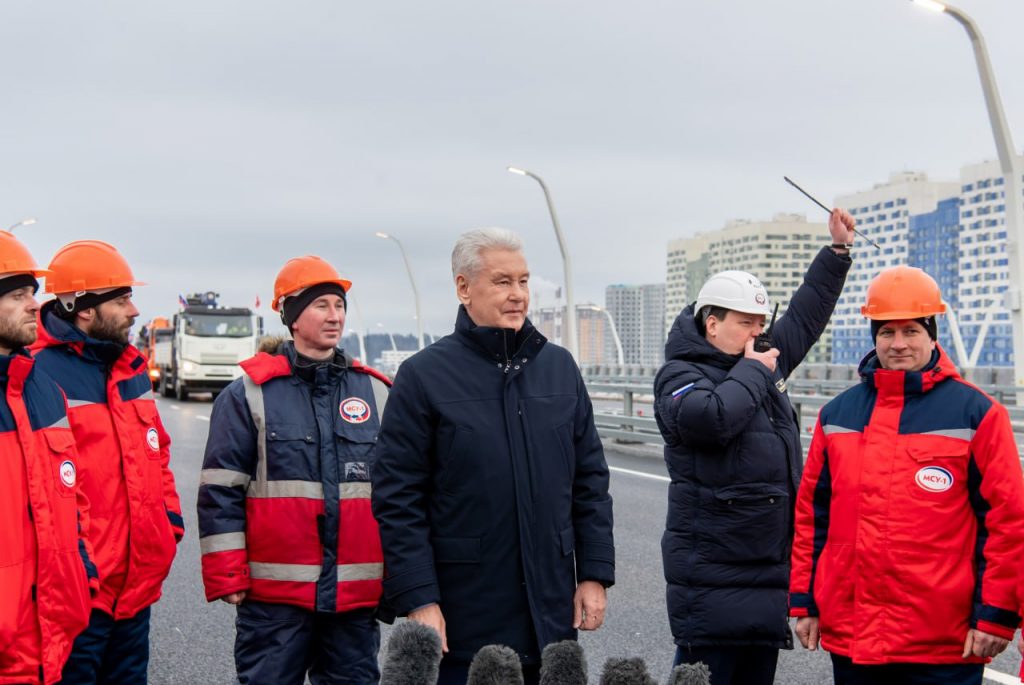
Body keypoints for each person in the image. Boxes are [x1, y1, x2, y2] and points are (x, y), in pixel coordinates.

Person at [371, 227, 615, 685]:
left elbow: (590, 482)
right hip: (465, 616)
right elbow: (397, 499)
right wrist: (420, 599)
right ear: (464, 288)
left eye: (523, 281)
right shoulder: (424, 377)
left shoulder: (560, 369)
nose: (518, 294)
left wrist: (595, 574)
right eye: (502, 282)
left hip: (551, 614)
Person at [790, 265, 1024, 685]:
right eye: (886, 332)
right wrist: (804, 602)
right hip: (855, 636)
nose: (898, 344)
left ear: (932, 334)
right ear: (873, 337)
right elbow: (813, 518)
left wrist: (996, 615)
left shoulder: (978, 414)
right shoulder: (836, 417)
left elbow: (1008, 522)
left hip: (944, 642)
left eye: (911, 330)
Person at [653, 210, 856, 684]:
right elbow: (712, 419)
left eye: (761, 323)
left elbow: (805, 318)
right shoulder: (680, 375)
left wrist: (837, 253)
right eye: (746, 323)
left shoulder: (759, 361)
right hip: (711, 578)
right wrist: (755, 370)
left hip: (765, 575)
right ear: (711, 324)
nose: (757, 335)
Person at [198, 256, 390, 684]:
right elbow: (220, 489)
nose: (335, 315)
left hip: (353, 599)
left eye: (339, 305)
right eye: (321, 305)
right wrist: (228, 572)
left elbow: (400, 492)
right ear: (291, 315)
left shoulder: (376, 392)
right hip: (274, 600)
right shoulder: (246, 395)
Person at [31, 240, 183, 685]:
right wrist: (74, 568)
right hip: (79, 593)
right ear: (84, 309)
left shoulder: (131, 367)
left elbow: (158, 457)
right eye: (121, 300)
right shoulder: (37, 372)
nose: (134, 310)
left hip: (134, 589)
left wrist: (168, 525)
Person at [0, 231, 99, 685]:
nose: (32, 306)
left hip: (47, 640)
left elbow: (70, 498)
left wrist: (84, 576)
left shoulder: (42, 389)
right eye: (18, 294)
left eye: (32, 294)